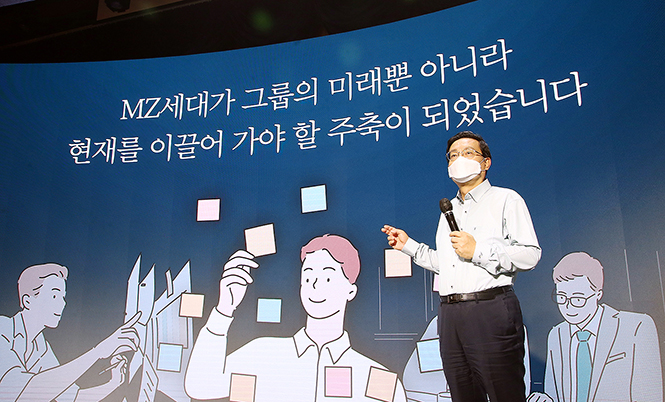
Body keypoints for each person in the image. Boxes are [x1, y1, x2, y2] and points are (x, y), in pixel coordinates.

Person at [382, 131, 541, 402]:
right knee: (462, 394)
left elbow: (530, 254)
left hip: (490, 309)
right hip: (450, 315)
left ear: (486, 162)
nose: (459, 159)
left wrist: (478, 251)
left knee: (505, 393)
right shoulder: (448, 210)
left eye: (468, 153)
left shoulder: (506, 199)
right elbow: (447, 264)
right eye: (453, 156)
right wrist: (409, 246)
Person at [185, 234, 407, 402]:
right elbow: (201, 386)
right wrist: (224, 309)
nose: (315, 285)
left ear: (351, 290)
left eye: (327, 278)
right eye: (308, 277)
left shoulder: (373, 376)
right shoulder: (265, 354)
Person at [527, 252, 663, 402]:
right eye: (561, 297)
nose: (568, 306)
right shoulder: (556, 335)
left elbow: (650, 394)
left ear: (598, 294)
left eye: (578, 299)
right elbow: (555, 394)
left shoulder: (636, 327)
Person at [0, 263, 141, 402]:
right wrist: (99, 351)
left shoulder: (41, 346)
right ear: (27, 301)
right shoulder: (3, 328)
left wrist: (113, 383)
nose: (63, 303)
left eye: (63, 297)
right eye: (54, 296)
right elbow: (20, 391)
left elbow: (71, 397)